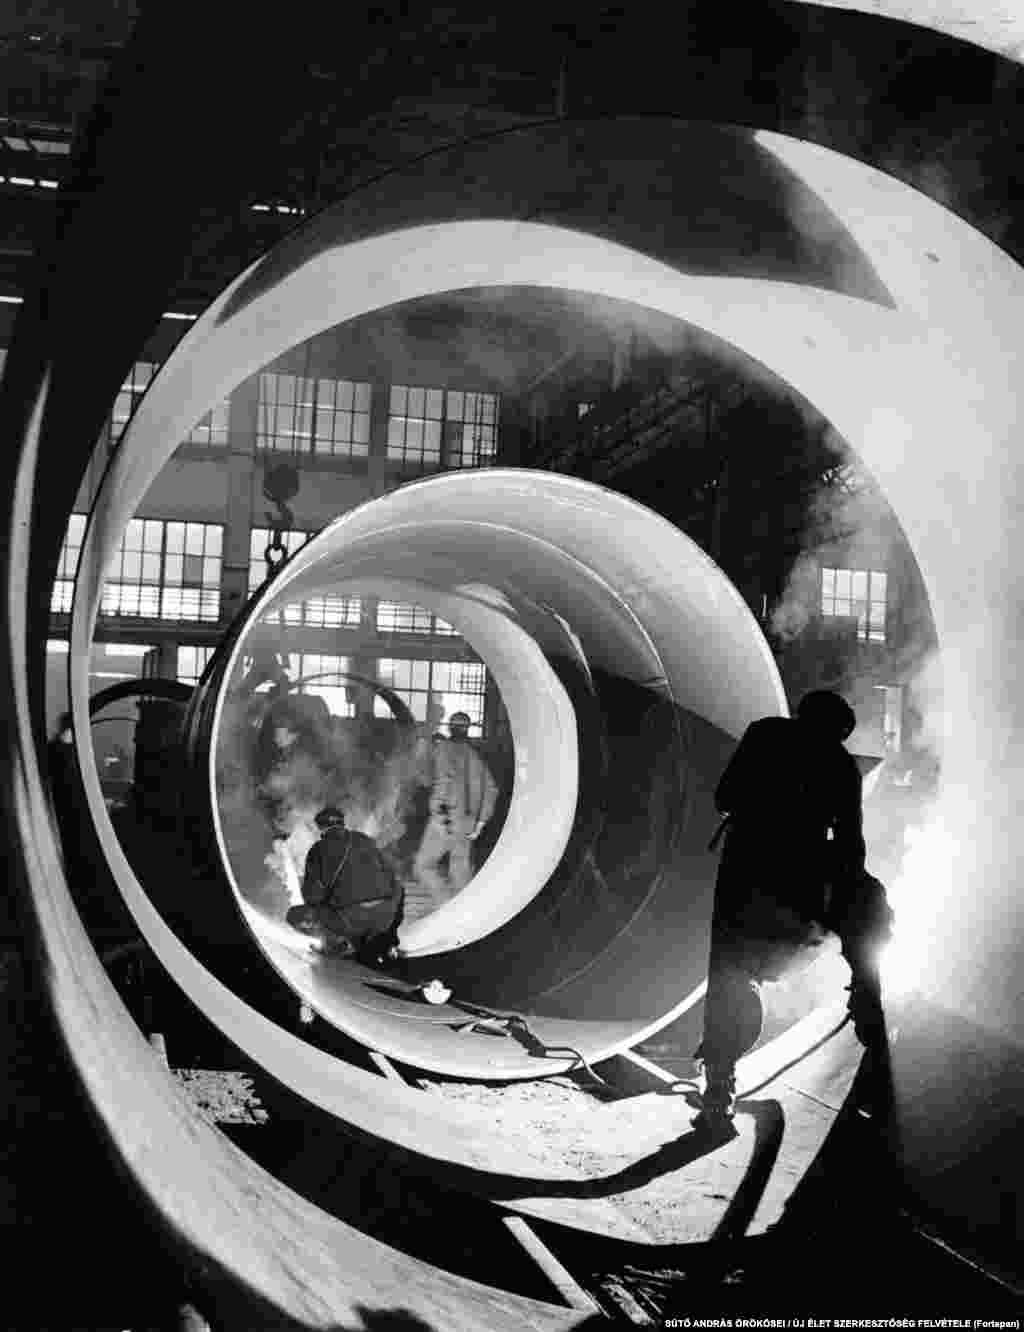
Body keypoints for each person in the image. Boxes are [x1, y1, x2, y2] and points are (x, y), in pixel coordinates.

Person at [696, 689, 892, 1126]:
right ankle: (874, 1033)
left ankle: (718, 1089)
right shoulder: (841, 764)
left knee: (728, 972)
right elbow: (849, 843)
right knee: (870, 918)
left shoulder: (765, 733)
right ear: (841, 731)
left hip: (745, 871)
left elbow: (724, 797)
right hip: (801, 876)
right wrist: (848, 893)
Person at [286, 806, 403, 963]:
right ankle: (383, 942)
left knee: (296, 915)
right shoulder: (366, 840)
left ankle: (334, 945)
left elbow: (312, 896)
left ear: (320, 827)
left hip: (352, 921)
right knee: (394, 890)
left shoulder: (318, 849)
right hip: (385, 918)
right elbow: (392, 878)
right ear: (342, 823)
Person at [411, 710, 499, 909]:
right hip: (467, 824)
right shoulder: (475, 758)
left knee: (423, 866)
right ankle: (462, 914)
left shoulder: (441, 749)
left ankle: (445, 905)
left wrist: (422, 747)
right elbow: (492, 789)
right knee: (460, 873)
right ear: (467, 731)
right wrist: (480, 824)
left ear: (450, 727)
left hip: (445, 819)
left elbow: (430, 778)